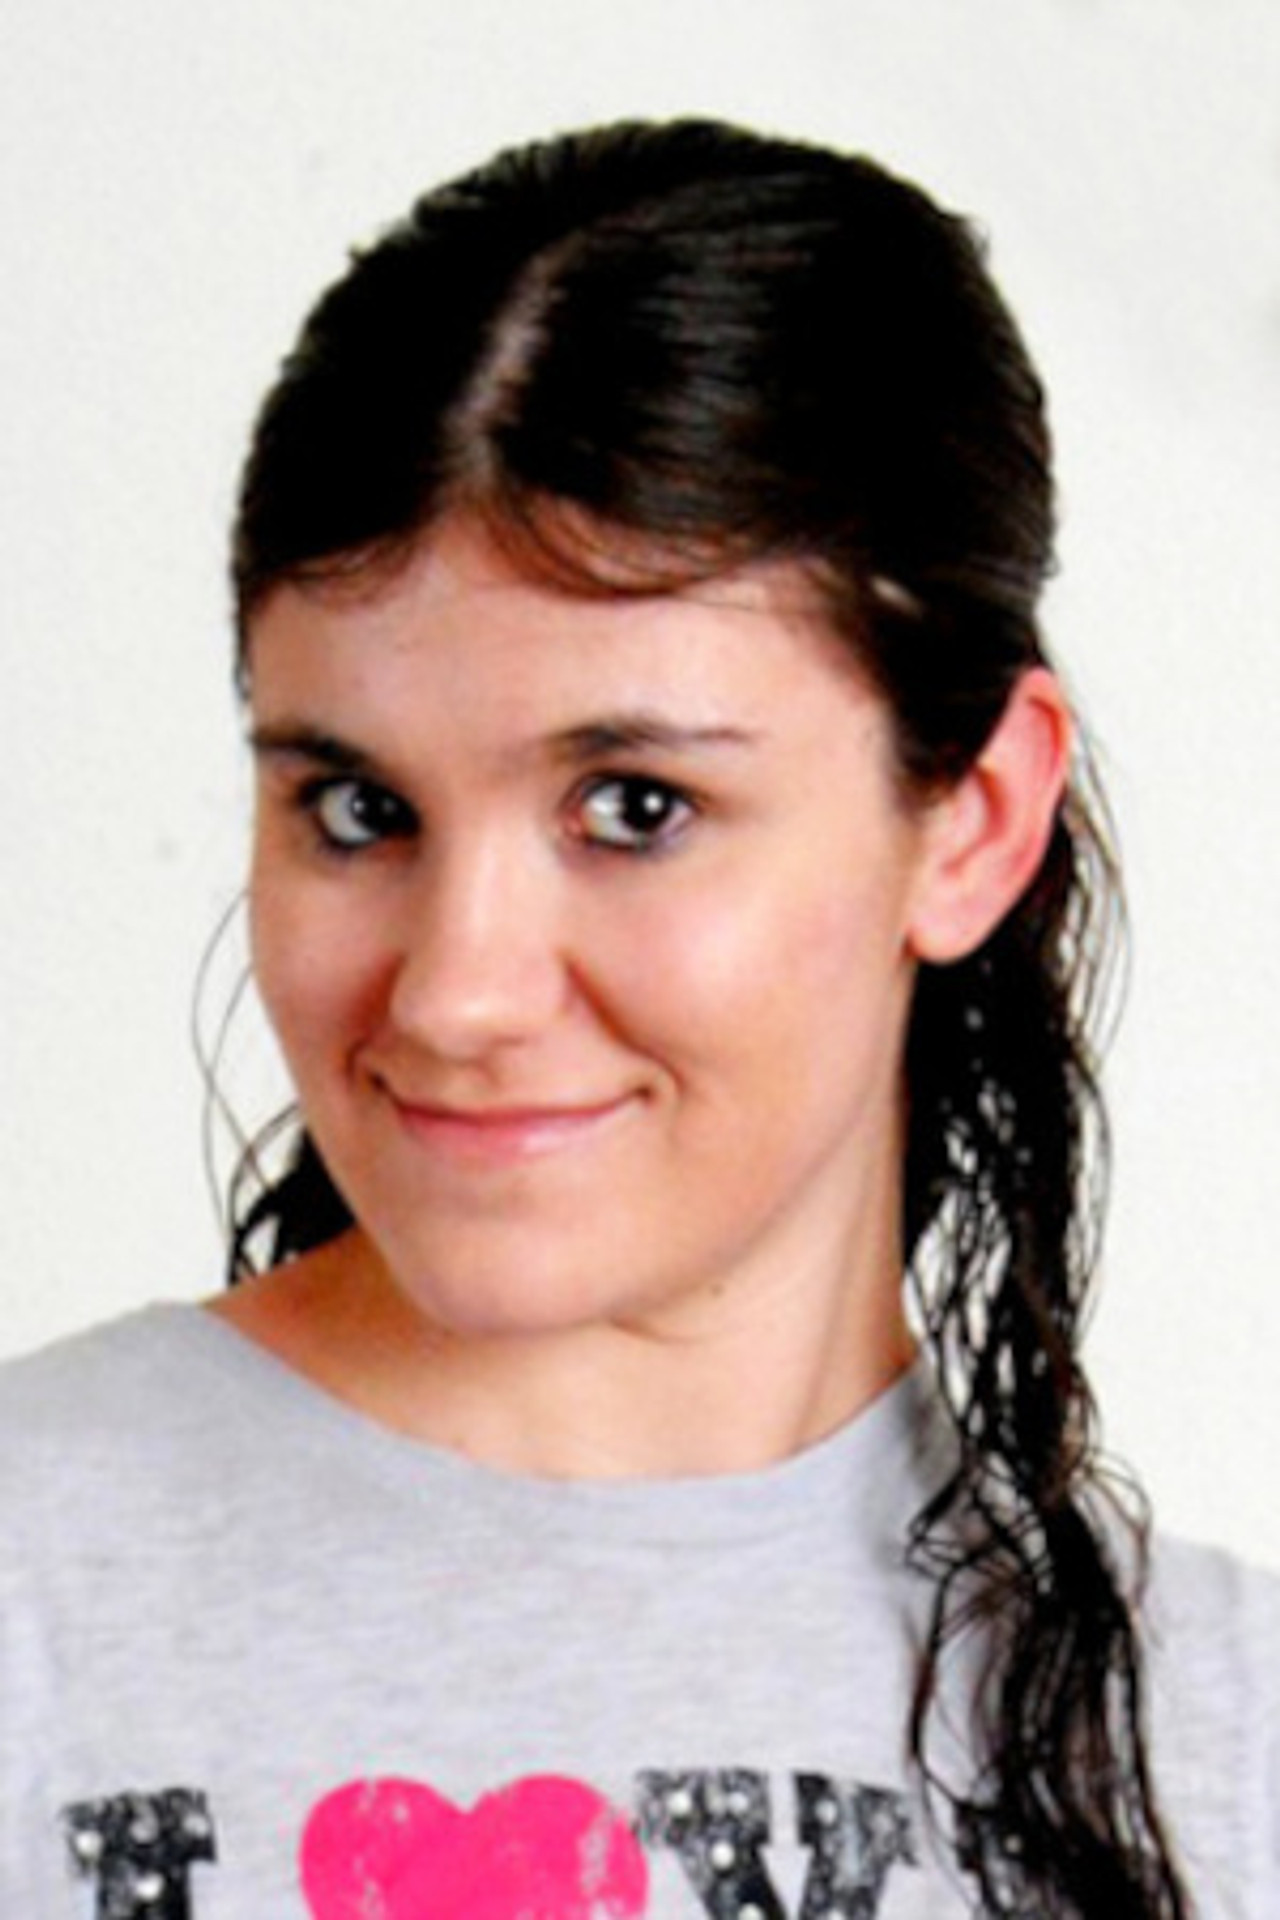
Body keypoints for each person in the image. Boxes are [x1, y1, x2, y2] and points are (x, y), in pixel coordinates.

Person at [0, 118, 1275, 1920]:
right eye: (359, 809)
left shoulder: (1225, 1750)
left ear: (975, 823)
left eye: (635, 807)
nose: (456, 991)